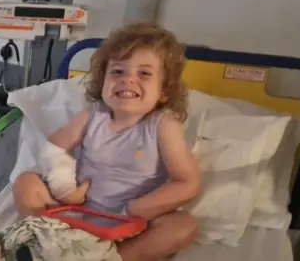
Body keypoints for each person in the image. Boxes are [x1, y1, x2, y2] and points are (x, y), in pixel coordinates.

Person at [13, 22, 201, 261]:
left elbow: (188, 183)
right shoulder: (93, 115)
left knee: (183, 226)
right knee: (26, 182)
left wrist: (139, 208)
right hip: (79, 213)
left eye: (144, 73)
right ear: (103, 82)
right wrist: (64, 188)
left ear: (164, 90)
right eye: (117, 71)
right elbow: (54, 146)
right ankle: (41, 240)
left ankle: (116, 257)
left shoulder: (163, 126)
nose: (128, 80)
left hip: (132, 224)